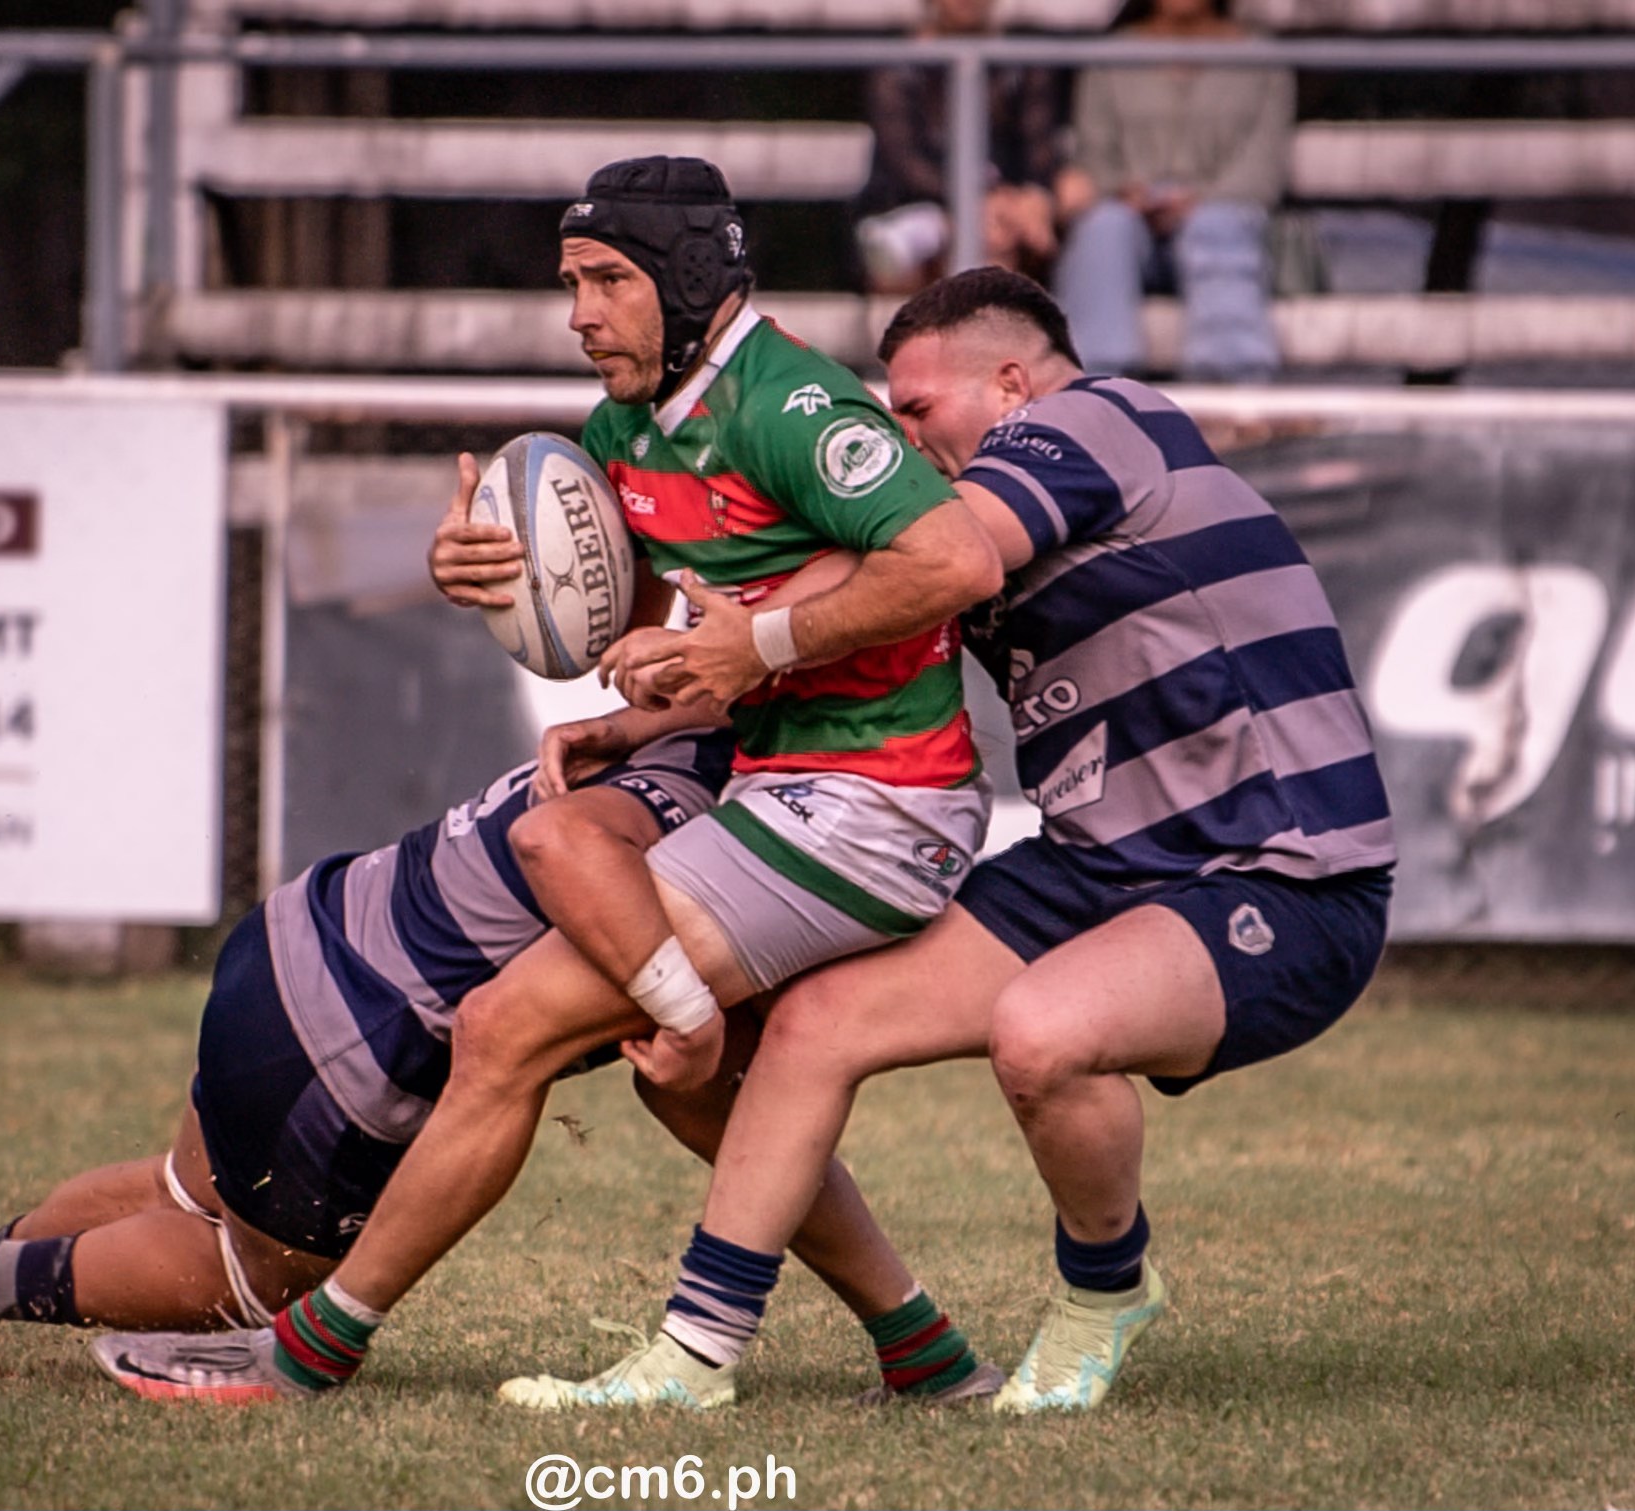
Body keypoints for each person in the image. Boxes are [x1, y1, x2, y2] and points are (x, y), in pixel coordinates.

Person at [88, 156, 1010, 1408]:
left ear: (687, 279)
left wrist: (758, 644)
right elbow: (625, 629)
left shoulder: (791, 406)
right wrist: (493, 574)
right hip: (775, 779)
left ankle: (305, 1358)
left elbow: (954, 560)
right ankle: (924, 1353)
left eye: (606, 280)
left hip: (877, 798)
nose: (578, 311)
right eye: (570, 282)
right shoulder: (625, 427)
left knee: (508, 1023)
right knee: (699, 1090)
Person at [504, 265, 1395, 1415]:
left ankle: (1102, 1290)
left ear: (1013, 382)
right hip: (1097, 863)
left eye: (918, 409)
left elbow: (905, 554)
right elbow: (844, 604)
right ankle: (693, 1355)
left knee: (1040, 1035)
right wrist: (640, 703)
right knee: (814, 1026)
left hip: (1284, 866)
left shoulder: (1098, 422)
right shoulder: (972, 510)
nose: (899, 435)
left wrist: (755, 630)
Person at [0, 727, 737, 1373]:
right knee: (249, 1276)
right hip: (354, 1036)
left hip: (305, 927)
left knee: (180, 1190)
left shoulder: (681, 717)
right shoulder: (738, 788)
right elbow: (568, 845)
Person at [1051, 0, 1295, 382]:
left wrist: (1197, 202)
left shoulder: (1261, 58)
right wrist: (1124, 192)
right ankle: (1095, 389)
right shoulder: (1110, 56)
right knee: (1103, 227)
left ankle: (1230, 395)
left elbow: (1262, 167)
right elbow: (1094, 157)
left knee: (1216, 225)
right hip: (1133, 215)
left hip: (1222, 213)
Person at [852, 0, 1085, 293]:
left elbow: (1039, 155)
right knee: (915, 251)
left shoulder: (1023, 65)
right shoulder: (897, 69)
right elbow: (906, 165)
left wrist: (1028, 199)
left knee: (1057, 201)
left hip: (1006, 211)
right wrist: (974, 206)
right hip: (917, 205)